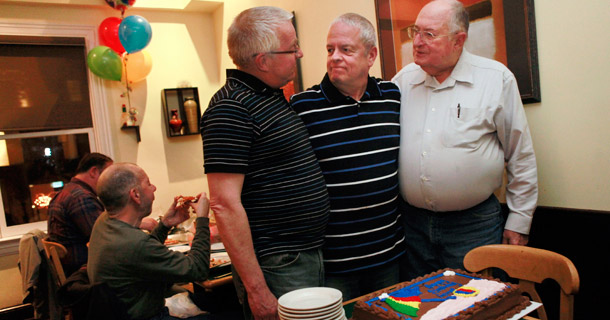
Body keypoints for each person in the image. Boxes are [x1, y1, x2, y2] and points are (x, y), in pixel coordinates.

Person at [200, 6, 330, 320]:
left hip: (302, 255)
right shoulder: (230, 108)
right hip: (278, 264)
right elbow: (224, 204)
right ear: (263, 60)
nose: (300, 54)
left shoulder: (268, 96)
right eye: (292, 47)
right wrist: (257, 289)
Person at [392, 0, 538, 280]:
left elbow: (520, 155)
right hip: (413, 228)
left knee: (479, 304)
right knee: (421, 307)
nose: (417, 42)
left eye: (429, 34)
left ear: (459, 40)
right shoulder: (402, 82)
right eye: (415, 32)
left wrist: (519, 223)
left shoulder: (496, 80)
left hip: (474, 226)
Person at [290, 13, 404, 300]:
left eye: (346, 49)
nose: (334, 57)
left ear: (371, 55)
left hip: (389, 255)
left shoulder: (392, 96)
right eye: (330, 50)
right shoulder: (302, 106)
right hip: (334, 264)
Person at [87, 163, 211, 320]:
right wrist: (202, 219)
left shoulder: (104, 222)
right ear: (135, 195)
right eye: (148, 183)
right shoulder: (132, 243)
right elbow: (197, 270)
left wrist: (164, 225)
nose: (154, 188)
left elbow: (141, 255)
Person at [47, 152, 113, 276]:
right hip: (82, 273)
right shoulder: (81, 198)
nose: (109, 182)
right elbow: (105, 238)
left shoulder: (65, 193)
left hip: (70, 272)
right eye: (108, 175)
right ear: (94, 172)